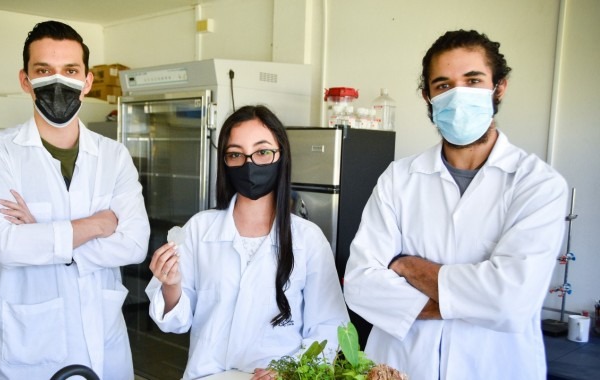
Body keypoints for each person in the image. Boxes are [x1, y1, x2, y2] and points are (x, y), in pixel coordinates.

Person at [343, 30, 568, 380]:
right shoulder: (398, 178)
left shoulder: (538, 184)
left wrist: (410, 267)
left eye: (473, 81)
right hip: (399, 367)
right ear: (427, 97)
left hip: (495, 368)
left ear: (499, 88)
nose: (458, 95)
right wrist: (472, 301)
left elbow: (510, 300)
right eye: (444, 85)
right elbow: (360, 285)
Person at [0, 21, 150, 379]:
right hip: (30, 348)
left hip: (104, 343)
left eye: (70, 70)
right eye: (43, 71)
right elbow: (7, 246)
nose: (58, 81)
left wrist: (43, 234)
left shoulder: (113, 157)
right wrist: (97, 225)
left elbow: (135, 245)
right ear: (25, 80)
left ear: (87, 81)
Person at [145, 105, 349, 379]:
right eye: (235, 154)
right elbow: (176, 322)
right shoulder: (199, 229)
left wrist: (290, 373)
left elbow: (329, 328)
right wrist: (171, 285)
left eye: (262, 152)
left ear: (281, 156)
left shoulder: (308, 240)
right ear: (225, 162)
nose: (249, 163)